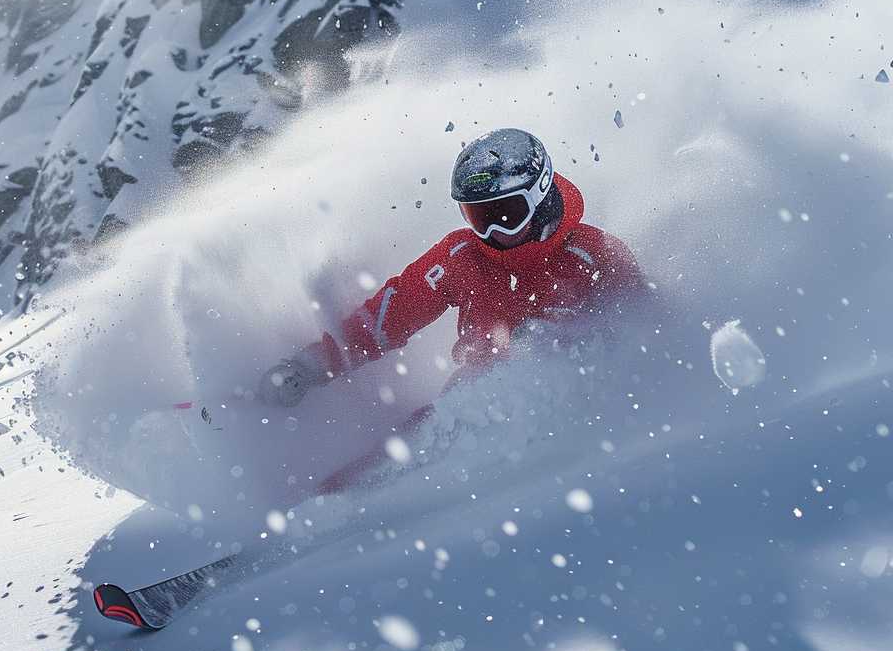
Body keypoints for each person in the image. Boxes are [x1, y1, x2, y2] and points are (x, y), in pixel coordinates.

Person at [257, 128, 644, 491]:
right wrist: (308, 368)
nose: (493, 233)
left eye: (506, 216)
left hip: (569, 420)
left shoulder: (593, 257)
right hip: (471, 404)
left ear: (540, 196)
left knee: (430, 449)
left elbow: (647, 337)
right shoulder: (463, 257)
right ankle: (321, 516)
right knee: (406, 448)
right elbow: (389, 315)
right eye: (479, 218)